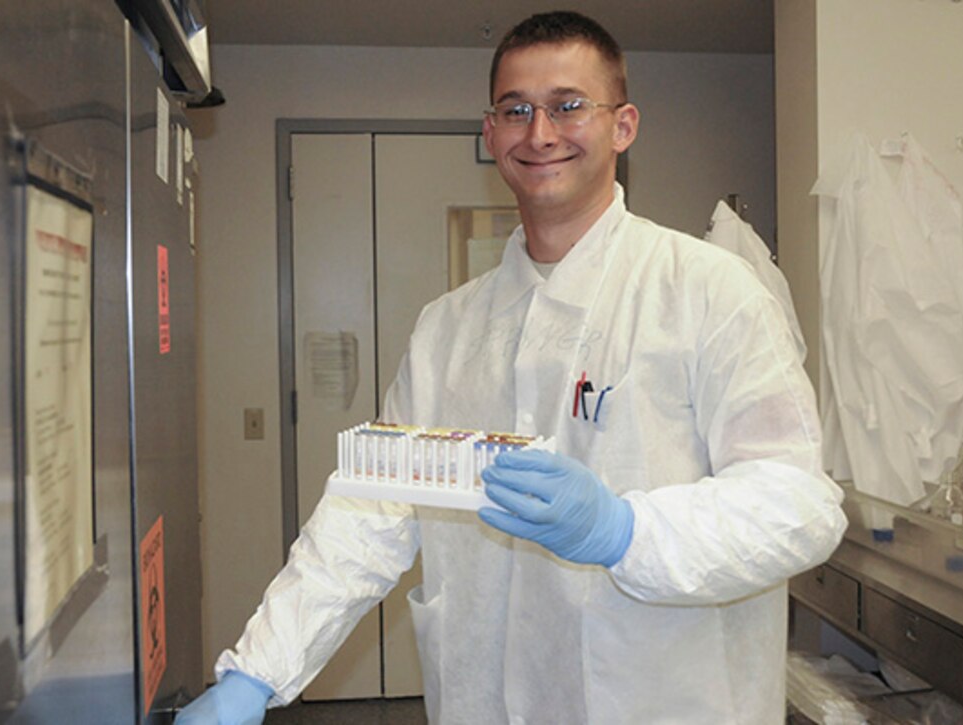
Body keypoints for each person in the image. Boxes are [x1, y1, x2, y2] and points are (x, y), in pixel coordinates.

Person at [178, 11, 848, 724]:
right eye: (516, 110)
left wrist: (626, 531)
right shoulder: (447, 329)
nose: (540, 133)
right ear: (490, 131)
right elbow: (369, 512)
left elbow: (799, 506)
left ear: (623, 126)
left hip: (665, 698)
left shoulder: (707, 292)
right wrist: (255, 671)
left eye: (568, 106)